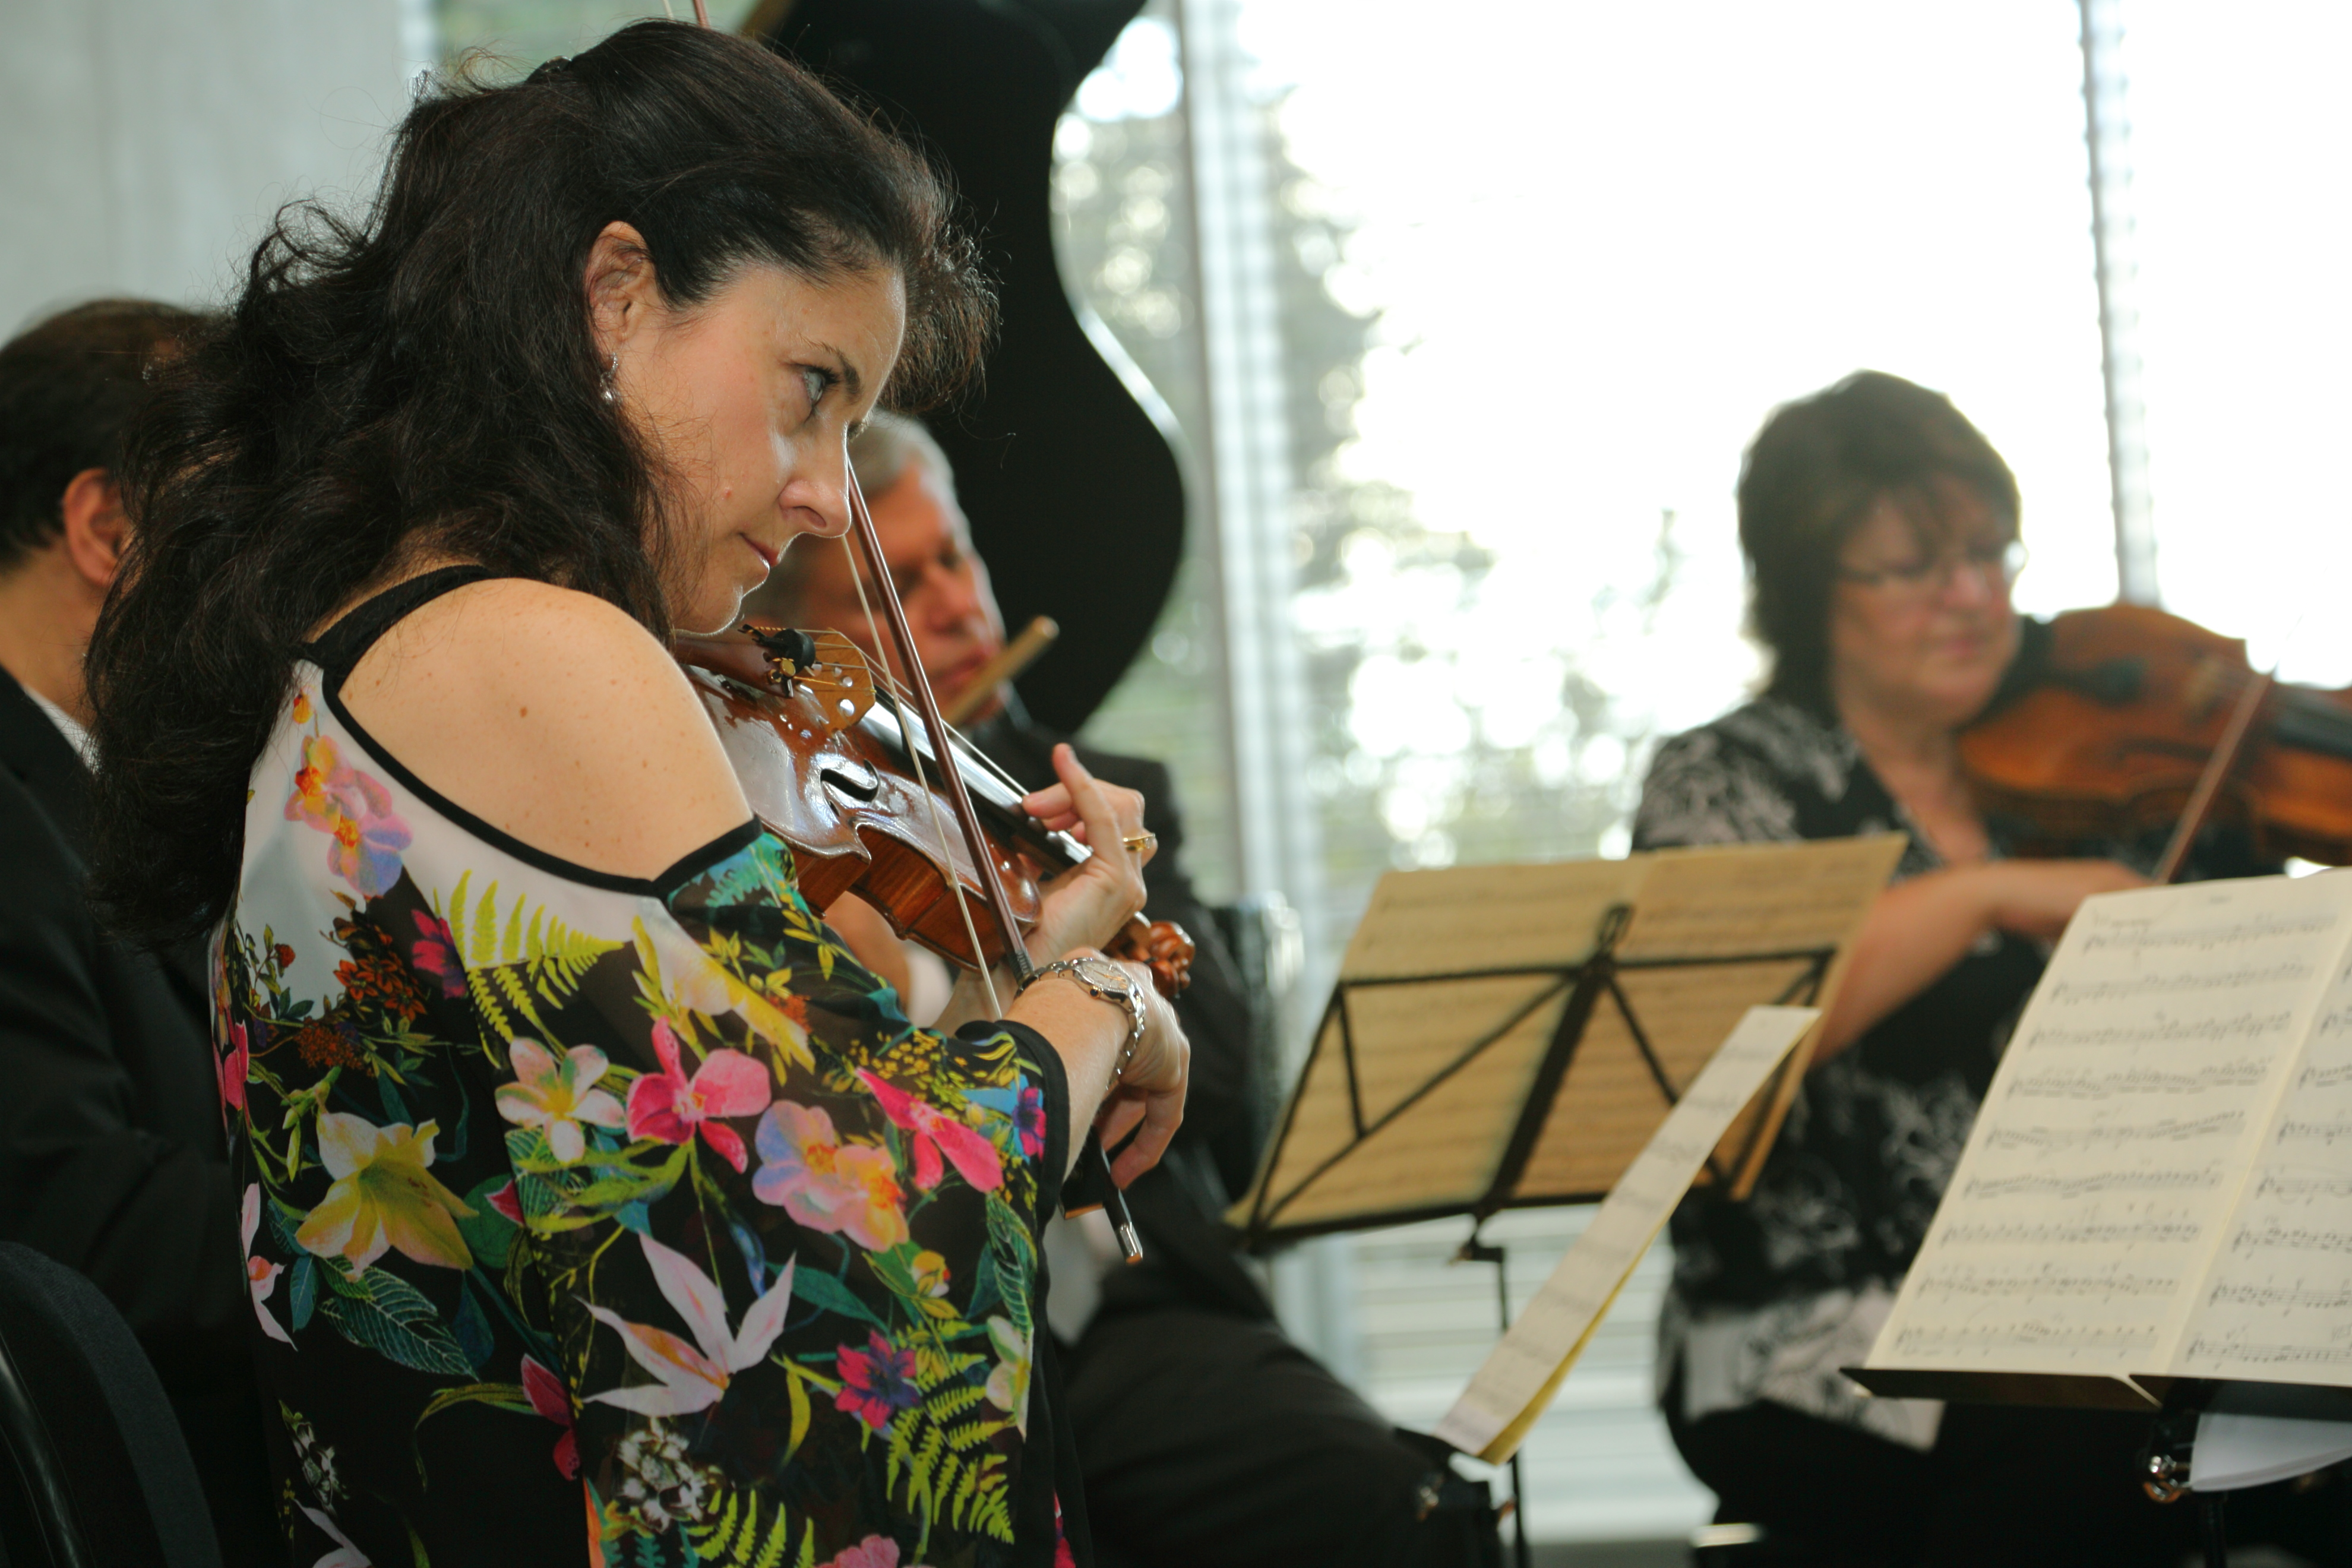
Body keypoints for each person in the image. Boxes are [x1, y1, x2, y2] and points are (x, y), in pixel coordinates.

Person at [83, 24, 1188, 1568]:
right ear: (615, 296)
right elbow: (858, 1239)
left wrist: (1012, 976)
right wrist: (1102, 1007)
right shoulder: (539, 649)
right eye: (812, 389)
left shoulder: (386, 644)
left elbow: (700, 1180)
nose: (825, 491)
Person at [747, 413, 1501, 1568]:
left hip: (1139, 1319)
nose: (952, 605)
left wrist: (1126, 928)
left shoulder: (1097, 797)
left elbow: (1239, 1108)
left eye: (955, 559)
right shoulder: (786, 841)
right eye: (899, 585)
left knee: (1398, 1511)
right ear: (803, 646)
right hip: (939, 1323)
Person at [1633, 370, 2241, 1564]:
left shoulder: (2090, 761)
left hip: (2108, 1304)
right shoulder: (1729, 781)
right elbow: (1742, 1029)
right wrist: (1993, 894)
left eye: (1990, 554)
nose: (1974, 598)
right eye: (1916, 569)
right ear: (1813, 593)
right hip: (1811, 1329)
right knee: (2082, 1455)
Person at [0, 299, 284, 1567]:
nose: (268, 591)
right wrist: (399, 1221)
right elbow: (68, 1219)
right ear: (107, 527)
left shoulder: (92, 783)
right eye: (236, 534)